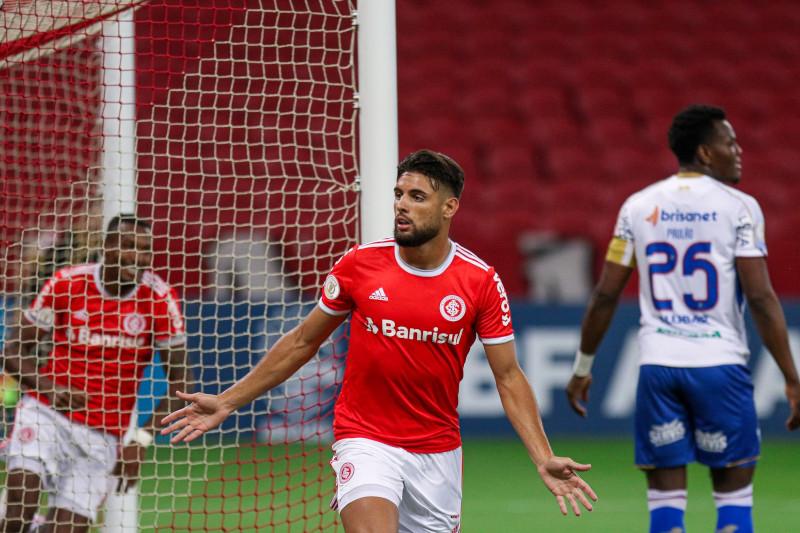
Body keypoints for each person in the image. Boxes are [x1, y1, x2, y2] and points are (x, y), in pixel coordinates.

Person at [162, 149, 597, 532]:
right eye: (399, 194)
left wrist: (543, 456)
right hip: (365, 439)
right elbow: (301, 342)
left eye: (417, 197)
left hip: (437, 452)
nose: (402, 205)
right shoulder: (360, 264)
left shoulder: (479, 281)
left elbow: (508, 376)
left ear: (450, 207)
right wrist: (229, 400)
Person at [566, 104, 800, 533]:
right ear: (706, 153)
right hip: (719, 367)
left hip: (659, 368)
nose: (738, 151)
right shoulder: (741, 208)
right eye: (730, 142)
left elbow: (605, 295)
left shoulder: (638, 206)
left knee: (665, 509)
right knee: (733, 502)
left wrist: (583, 367)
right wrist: (791, 377)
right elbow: (761, 298)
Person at [0, 214, 194, 533]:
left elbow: (182, 382)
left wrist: (140, 441)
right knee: (20, 506)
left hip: (103, 434)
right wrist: (48, 388)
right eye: (128, 246)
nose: (138, 257)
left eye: (145, 250)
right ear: (106, 246)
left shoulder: (160, 299)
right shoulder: (67, 282)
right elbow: (12, 351)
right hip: (46, 414)